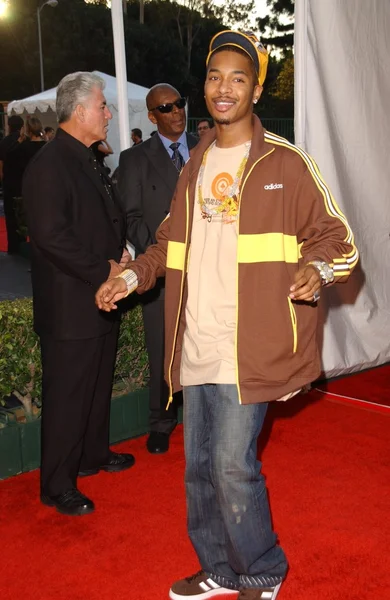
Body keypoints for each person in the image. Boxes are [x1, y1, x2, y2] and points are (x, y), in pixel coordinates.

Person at [96, 30, 358, 599]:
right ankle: (218, 566)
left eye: (238, 77)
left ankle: (261, 571)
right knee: (199, 472)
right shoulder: (194, 164)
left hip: (250, 346)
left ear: (256, 90)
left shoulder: (286, 163)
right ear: (204, 87)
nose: (224, 87)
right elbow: (169, 244)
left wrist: (318, 269)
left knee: (234, 467)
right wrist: (133, 275)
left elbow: (338, 239)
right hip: (197, 341)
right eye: (215, 76)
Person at [23, 72, 134, 517]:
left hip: (100, 296)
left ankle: (92, 454)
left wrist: (122, 252)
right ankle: (56, 484)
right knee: (69, 395)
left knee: (96, 386)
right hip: (71, 305)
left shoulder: (88, 158)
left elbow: (102, 221)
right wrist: (103, 268)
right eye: (103, 106)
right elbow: (50, 236)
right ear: (80, 110)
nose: (108, 114)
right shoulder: (49, 164)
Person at [117, 84, 198, 454]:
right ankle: (161, 421)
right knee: (162, 346)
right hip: (161, 269)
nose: (176, 111)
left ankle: (204, 417)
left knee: (205, 344)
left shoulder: (208, 146)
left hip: (207, 269)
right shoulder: (134, 159)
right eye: (166, 107)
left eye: (179, 103)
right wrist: (163, 253)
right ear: (152, 116)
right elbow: (130, 218)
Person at [0, 115, 24, 253]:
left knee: (10, 216)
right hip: (22, 182)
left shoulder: (3, 143)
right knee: (23, 215)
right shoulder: (23, 141)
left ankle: (12, 247)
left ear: (9, 126)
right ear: (21, 127)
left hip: (9, 182)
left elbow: (1, 165)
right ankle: (22, 244)